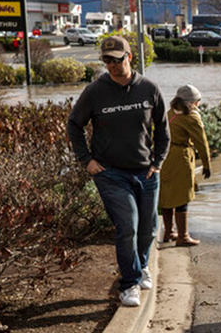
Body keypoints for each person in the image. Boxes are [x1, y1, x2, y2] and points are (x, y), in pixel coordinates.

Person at [67, 35, 169, 308]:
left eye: (116, 59)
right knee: (127, 226)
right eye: (107, 61)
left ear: (129, 58)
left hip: (146, 172)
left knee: (148, 228)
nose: (111, 65)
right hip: (111, 173)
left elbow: (163, 131)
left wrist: (158, 162)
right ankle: (129, 284)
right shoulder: (95, 91)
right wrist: (86, 159)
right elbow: (74, 125)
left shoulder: (148, 88)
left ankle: (142, 265)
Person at [159, 84, 212, 247]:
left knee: (167, 195)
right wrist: (206, 164)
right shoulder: (191, 117)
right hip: (181, 157)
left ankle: (169, 232)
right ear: (193, 102)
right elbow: (201, 142)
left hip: (165, 156)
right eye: (198, 101)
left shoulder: (169, 112)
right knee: (183, 196)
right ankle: (183, 236)